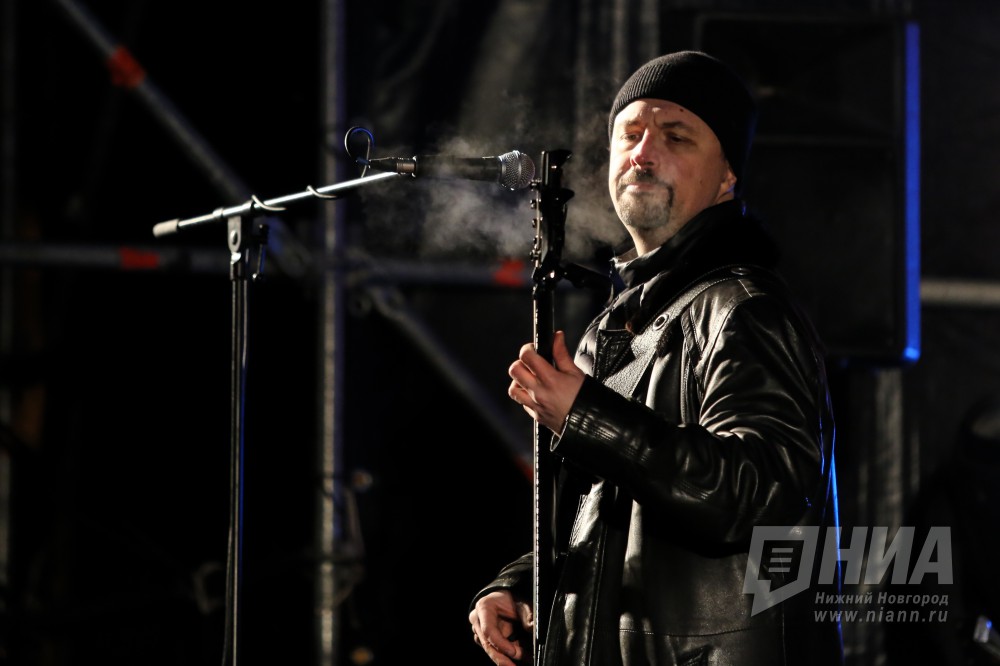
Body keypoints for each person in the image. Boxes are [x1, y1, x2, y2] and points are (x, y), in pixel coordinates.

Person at [468, 50, 844, 665]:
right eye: (630, 134)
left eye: (676, 136)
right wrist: (520, 584)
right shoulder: (613, 329)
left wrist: (588, 417)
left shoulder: (745, 309)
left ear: (727, 176)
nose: (643, 153)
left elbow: (761, 493)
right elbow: (600, 520)